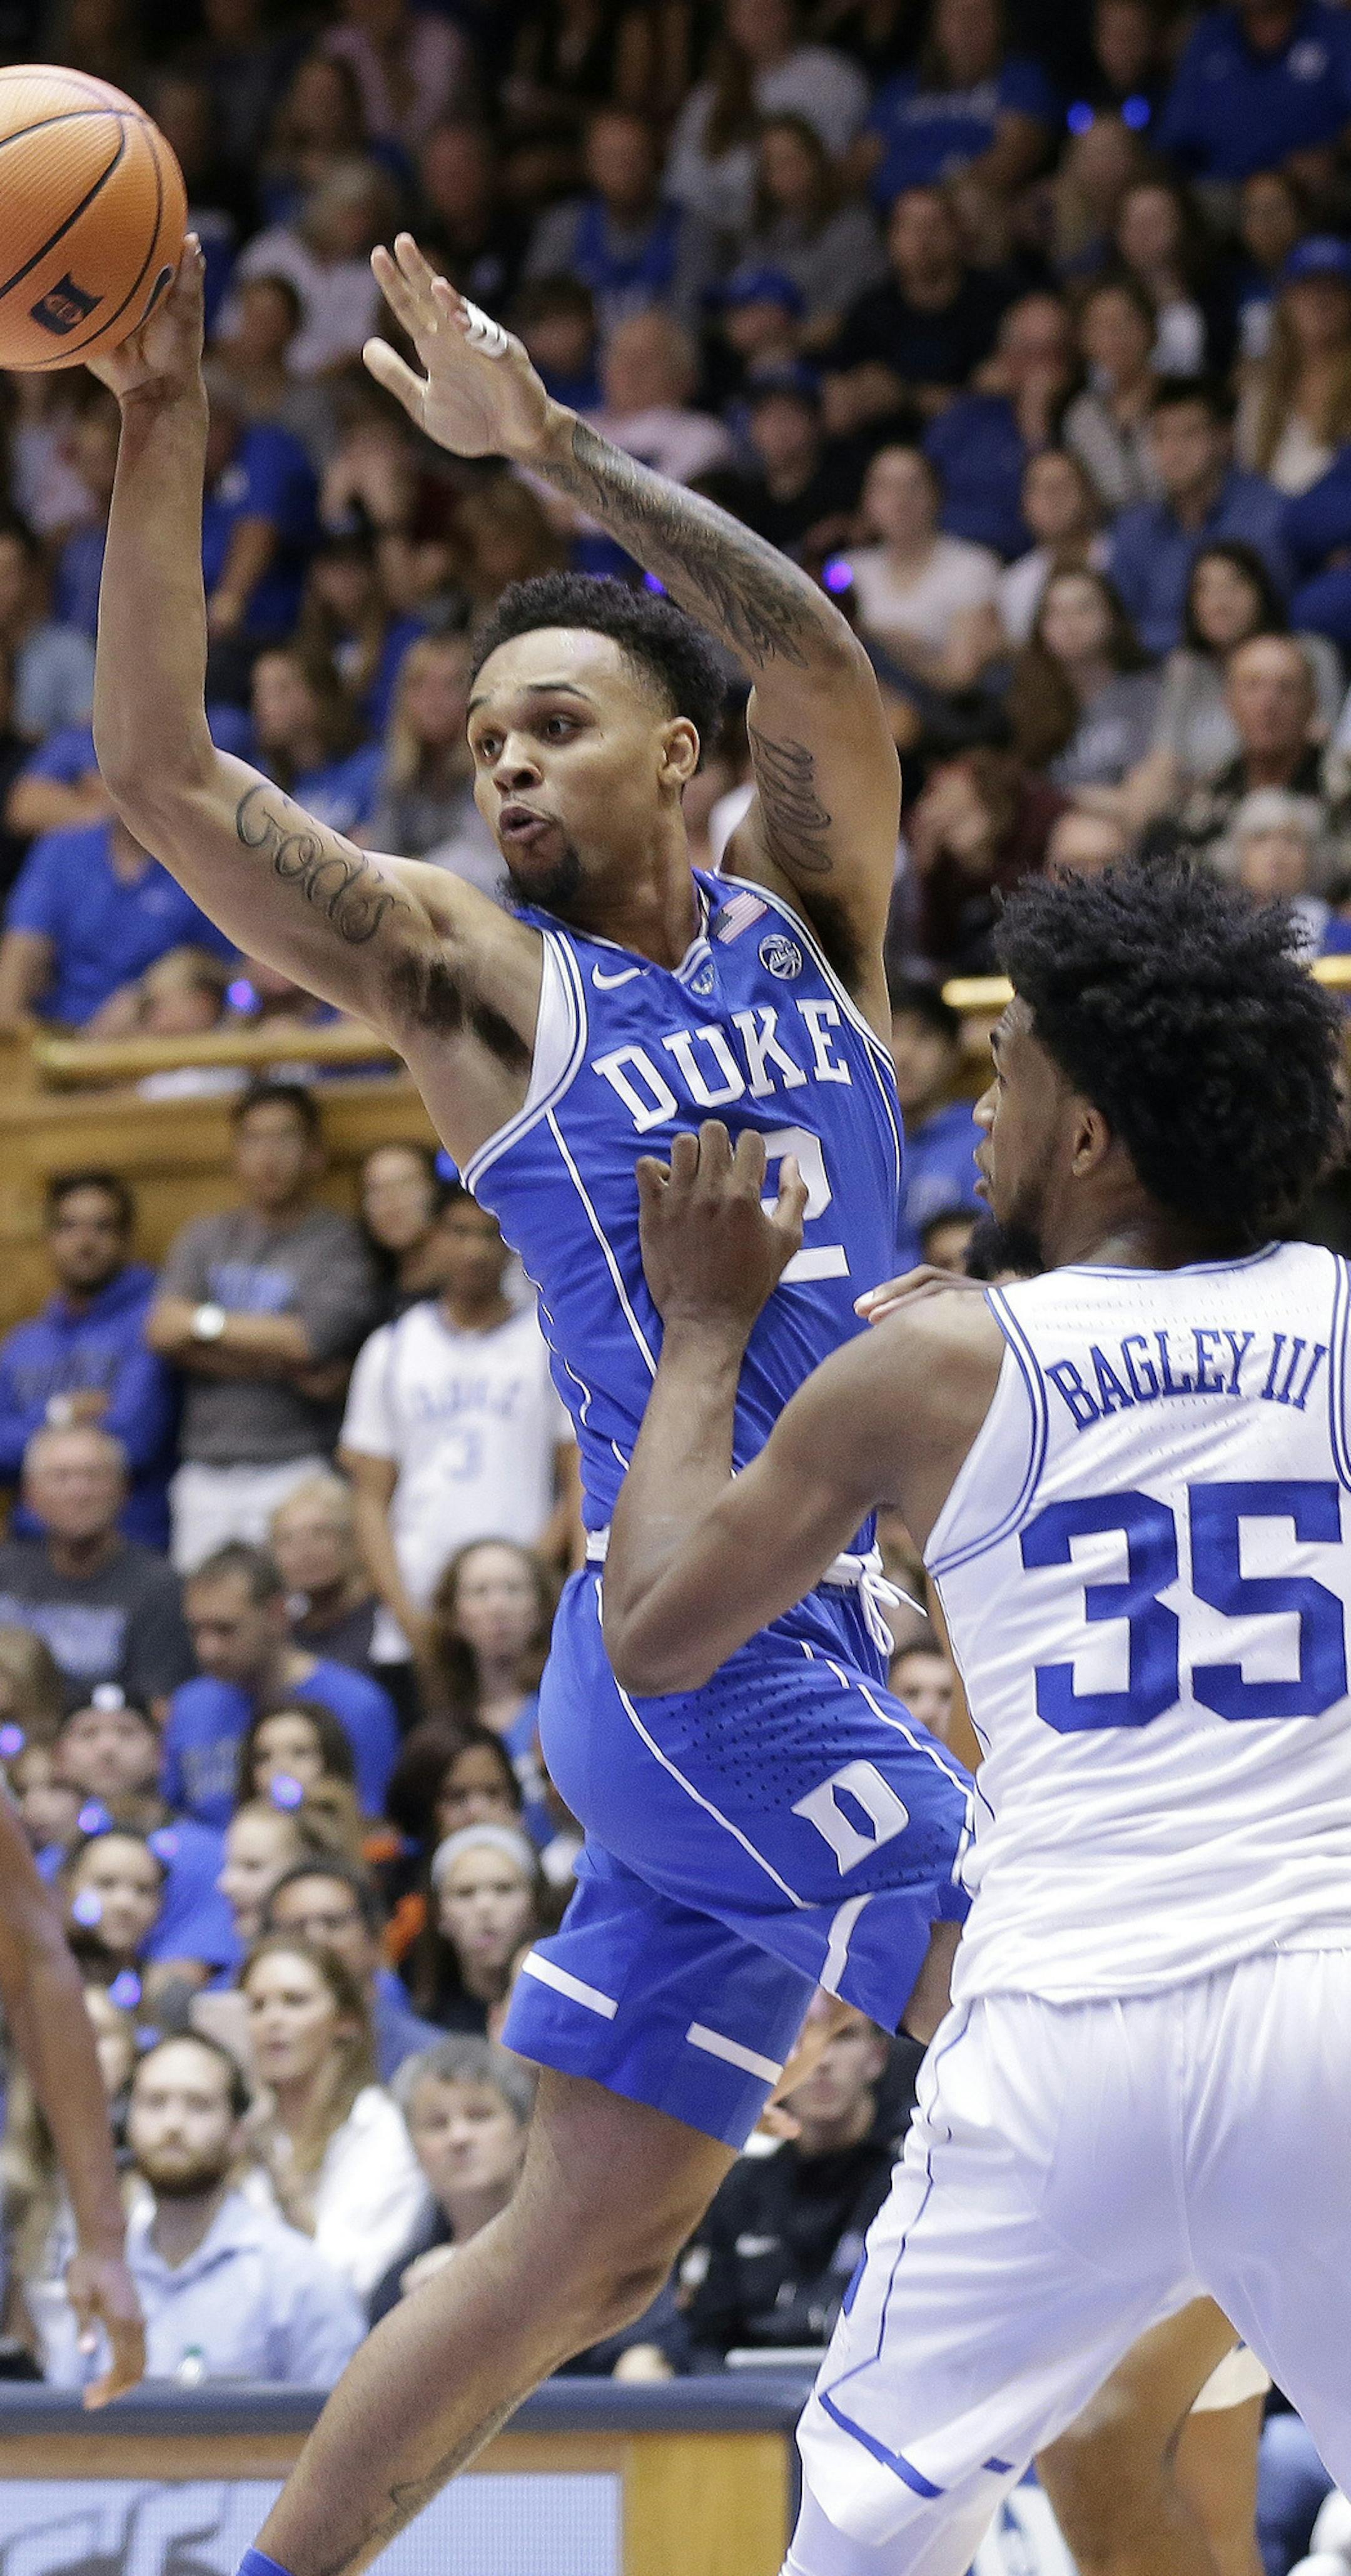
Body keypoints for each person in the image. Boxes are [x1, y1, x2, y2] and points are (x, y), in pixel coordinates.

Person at [91, 230, 972, 2576]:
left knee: (582, 2258)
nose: (499, 760)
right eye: (479, 738)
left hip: (805, 1621)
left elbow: (822, 659)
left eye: (550, 720)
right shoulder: (491, 992)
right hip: (690, 1636)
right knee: (1022, 1913)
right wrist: (155, 419)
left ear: (679, 758)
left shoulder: (814, 906)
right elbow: (163, 777)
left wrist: (557, 454)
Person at [599, 856, 1351, 2576]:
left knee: (873, 2522)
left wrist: (707, 1323)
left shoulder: (936, 1366)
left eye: (1010, 1070)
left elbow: (652, 1632)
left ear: (1086, 1131)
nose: (987, 1105)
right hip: (1327, 2003)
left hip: (1065, 2025)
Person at [147, 1081, 382, 1575]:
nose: (268, 1156)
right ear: (235, 1153)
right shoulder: (205, 1235)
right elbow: (165, 1331)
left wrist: (203, 1326)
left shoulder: (336, 1241)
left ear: (315, 1155)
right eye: (253, 1140)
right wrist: (278, 1359)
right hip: (204, 1472)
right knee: (206, 1624)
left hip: (298, 1469)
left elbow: (310, 1338)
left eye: (284, 1139)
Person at [44, 2032, 367, 2390]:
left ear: (238, 2132)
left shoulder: (301, 2278)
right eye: (154, 2102)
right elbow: (56, 2420)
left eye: (198, 2105)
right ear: (126, 2124)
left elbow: (343, 2430)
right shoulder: (101, 2274)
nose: (173, 2124)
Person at [339, 1190, 577, 1663]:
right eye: (460, 1232)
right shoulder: (392, 1347)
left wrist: (531, 1577)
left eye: (490, 1235)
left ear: (511, 1244)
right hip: (417, 1602)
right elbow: (368, 1498)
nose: (475, 1250)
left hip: (520, 1605)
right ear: (432, 1241)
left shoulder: (549, 1342)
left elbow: (580, 1477)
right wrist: (406, 1612)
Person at [684, 2006, 896, 2365]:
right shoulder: (741, 2189)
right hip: (749, 2404)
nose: (823, 2059)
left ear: (876, 2057)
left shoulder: (918, 2176)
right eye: (801, 2039)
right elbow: (703, 2338)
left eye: (843, 2038)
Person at [240, 1934, 429, 2300]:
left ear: (346, 2021)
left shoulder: (382, 2129)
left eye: (295, 2002)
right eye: (257, 2006)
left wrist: (284, 2184)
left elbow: (351, 2280)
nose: (272, 2020)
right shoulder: (239, 2129)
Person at [163, 1541, 399, 1827]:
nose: (207, 1649)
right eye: (197, 1630)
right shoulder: (190, 1704)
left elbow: (369, 1827)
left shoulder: (356, 1704)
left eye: (225, 1629)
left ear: (276, 1614)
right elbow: (175, 1816)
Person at [0, 1172, 176, 1552]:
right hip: (31, 1552)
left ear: (126, 1239)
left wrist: (31, 1444)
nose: (84, 1242)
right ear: (50, 1240)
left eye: (102, 1227)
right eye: (69, 1227)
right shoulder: (23, 1343)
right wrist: (60, 1414)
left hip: (132, 1552)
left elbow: (133, 1439)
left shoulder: (153, 1326)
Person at [1132, 540, 1342, 814]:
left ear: (1260, 592)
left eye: (1233, 586)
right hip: (1205, 809)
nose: (1219, 603)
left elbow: (1323, 744)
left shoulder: (1308, 654)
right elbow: (1164, 759)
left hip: (1296, 805)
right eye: (1205, 589)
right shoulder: (1187, 667)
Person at [0, 1426, 194, 1716]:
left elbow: (157, 1705)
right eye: (61, 1477)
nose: (79, 1492)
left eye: (93, 1475)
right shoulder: (6, 1571)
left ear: (124, 1489)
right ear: (30, 1495)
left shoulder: (160, 1585)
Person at [0, 811, 235, 1035]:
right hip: (60, 1034)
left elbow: (227, 969)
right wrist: (8, 1027)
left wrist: (145, 996)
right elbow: (23, 946)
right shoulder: (64, 849)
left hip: (154, 1033)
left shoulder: (199, 862)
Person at [1107, 378, 1291, 660]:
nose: (1173, 450)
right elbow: (1119, 630)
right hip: (1155, 681)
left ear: (1224, 438)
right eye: (1161, 436)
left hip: (1250, 667)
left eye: (1189, 434)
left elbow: (1272, 615)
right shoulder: (1133, 528)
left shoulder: (1268, 513)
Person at [822, 186, 1011, 440]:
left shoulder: (996, 302)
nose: (922, 239)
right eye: (909, 227)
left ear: (958, 234)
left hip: (973, 443)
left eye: (934, 226)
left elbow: (997, 390)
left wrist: (907, 397)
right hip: (883, 453)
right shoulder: (870, 310)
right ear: (891, 239)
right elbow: (840, 402)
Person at [367, 2036, 533, 2324]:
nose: (459, 2137)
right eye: (437, 2124)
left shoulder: (586, 2253)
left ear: (523, 2131)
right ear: (413, 2149)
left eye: (480, 2116)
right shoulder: (398, 2287)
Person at [525, 107, 719, 338]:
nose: (622, 169)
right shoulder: (564, 226)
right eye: (609, 157)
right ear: (589, 164)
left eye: (633, 156)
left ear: (656, 159)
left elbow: (690, 324)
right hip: (576, 370)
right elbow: (536, 318)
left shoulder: (692, 231)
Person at [859, 0, 1055, 210]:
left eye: (978, 16)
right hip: (891, 213)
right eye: (955, 16)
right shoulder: (902, 88)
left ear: (1001, 25)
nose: (966, 26)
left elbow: (1014, 154)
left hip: (965, 210)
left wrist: (941, 197)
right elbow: (863, 159)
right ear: (937, 26)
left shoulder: (1021, 80)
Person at [924, 293, 1077, 562]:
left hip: (1033, 563)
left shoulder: (1080, 417)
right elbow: (922, 487)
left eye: (1053, 351)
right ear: (1005, 356)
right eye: (1029, 351)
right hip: (948, 560)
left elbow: (1053, 515)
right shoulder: (965, 416)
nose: (1041, 366)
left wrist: (1036, 427)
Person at [263, 1855, 442, 2081]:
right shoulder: (241, 2054)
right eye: (296, 1928)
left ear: (376, 1940)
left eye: (334, 1923)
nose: (316, 1939)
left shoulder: (429, 2059)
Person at [838, 448, 1001, 694]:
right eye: (886, 487)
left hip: (934, 707)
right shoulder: (846, 569)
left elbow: (961, 675)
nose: (900, 500)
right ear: (867, 501)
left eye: (913, 486)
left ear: (936, 496)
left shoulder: (972, 566)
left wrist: (888, 641)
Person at [731, 116, 886, 350]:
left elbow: (851, 315)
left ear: (817, 159)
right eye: (775, 164)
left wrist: (787, 342)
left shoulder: (854, 227)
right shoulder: (758, 230)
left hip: (837, 354)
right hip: (761, 354)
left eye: (794, 159)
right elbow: (742, 296)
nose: (787, 172)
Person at [1156, 0, 1351, 186]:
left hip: (1310, 191)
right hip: (1218, 191)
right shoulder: (1210, 33)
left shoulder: (1337, 30)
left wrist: (1333, 154)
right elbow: (1175, 136)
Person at [1007, 566, 1160, 794]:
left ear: (1112, 618)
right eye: (1055, 613)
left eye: (1083, 609)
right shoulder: (1025, 704)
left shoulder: (1149, 692)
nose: (1069, 624)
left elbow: (1151, 791)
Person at [1238, 236, 1351, 499]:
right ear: (1287, 300)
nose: (1321, 301)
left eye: (1335, 289)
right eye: (1309, 288)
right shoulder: (1261, 394)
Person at [405, 1822, 542, 2033]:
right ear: (439, 1915)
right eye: (465, 1893)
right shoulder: (420, 2025)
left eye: (504, 1889)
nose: (484, 1907)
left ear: (534, 1906)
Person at [889, 981, 981, 1269]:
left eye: (923, 1037)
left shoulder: (985, 1136)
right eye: (891, 1034)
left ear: (953, 1053)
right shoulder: (851, 1142)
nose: (904, 1055)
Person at [1063, 276, 1161, 517]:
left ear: (1150, 328)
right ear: (1085, 342)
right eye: (1101, 327)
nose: (1115, 337)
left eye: (1125, 322)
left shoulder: (1183, 399)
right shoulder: (1081, 416)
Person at [270, 1474, 380, 1678]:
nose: (304, 1551)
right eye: (287, 1539)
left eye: (320, 1533)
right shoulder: (280, 1637)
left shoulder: (386, 1624)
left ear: (353, 1541)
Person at [357, 1141, 450, 1320]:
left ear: (436, 1192)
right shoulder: (362, 1289)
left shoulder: (469, 1284)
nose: (391, 1202)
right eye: (376, 1190)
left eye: (405, 1185)